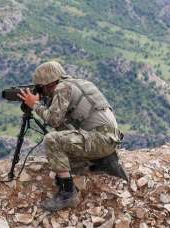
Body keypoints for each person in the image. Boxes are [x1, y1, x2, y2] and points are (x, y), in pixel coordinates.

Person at [18, 61, 128, 212]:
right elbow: (64, 124)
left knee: (52, 140)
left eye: (40, 88)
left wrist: (35, 105)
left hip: (99, 140)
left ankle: (68, 193)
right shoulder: (81, 83)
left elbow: (53, 119)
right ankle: (103, 161)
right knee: (62, 148)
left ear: (48, 84)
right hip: (109, 139)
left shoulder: (62, 88)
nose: (40, 91)